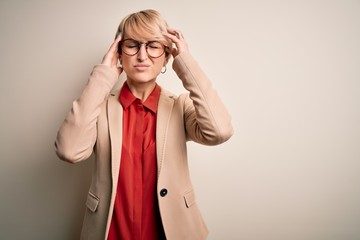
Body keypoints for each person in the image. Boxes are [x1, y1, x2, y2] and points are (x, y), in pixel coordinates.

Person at [55, 9, 233, 240]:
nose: (142, 55)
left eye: (153, 46)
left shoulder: (181, 106)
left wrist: (186, 62)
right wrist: (103, 76)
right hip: (110, 233)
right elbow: (69, 151)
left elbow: (220, 131)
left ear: (167, 56)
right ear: (119, 53)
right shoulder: (98, 108)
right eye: (132, 45)